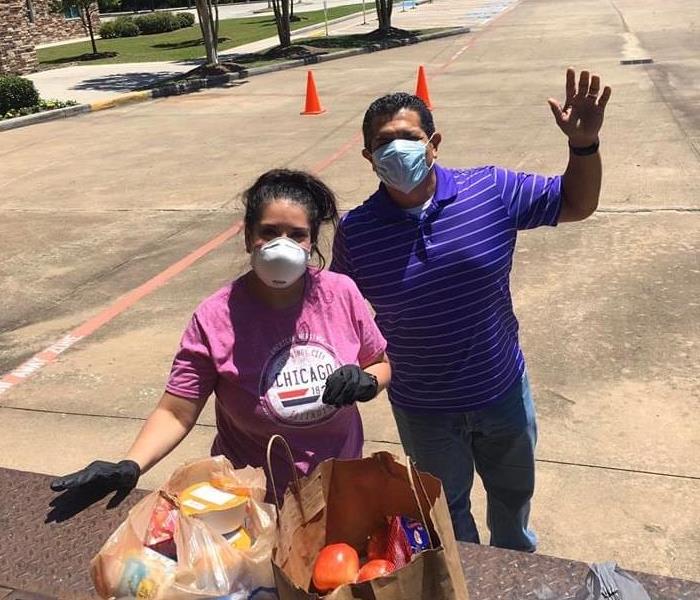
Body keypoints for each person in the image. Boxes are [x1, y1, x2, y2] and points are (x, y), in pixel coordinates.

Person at [331, 68, 611, 551]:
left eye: (408, 137)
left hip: (500, 391)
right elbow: (339, 313)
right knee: (446, 517)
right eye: (383, 143)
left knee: (512, 501)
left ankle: (514, 568)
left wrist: (583, 146)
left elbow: (576, 203)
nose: (397, 149)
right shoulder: (356, 232)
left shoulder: (492, 192)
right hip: (423, 410)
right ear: (367, 158)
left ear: (434, 142)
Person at [51, 169, 391, 502]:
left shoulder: (341, 293)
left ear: (311, 241)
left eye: (296, 234)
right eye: (269, 232)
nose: (281, 246)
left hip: (338, 486)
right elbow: (176, 411)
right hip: (253, 499)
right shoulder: (215, 318)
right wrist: (131, 464)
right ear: (247, 237)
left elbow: (379, 362)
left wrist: (367, 380)